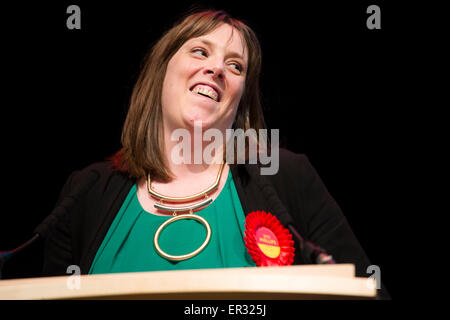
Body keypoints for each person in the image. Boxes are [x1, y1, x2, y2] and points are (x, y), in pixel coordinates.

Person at [41, 10, 390, 299]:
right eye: (200, 51)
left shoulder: (286, 176)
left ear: (240, 103)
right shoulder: (87, 191)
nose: (217, 69)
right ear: (161, 70)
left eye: (236, 66)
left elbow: (367, 290)